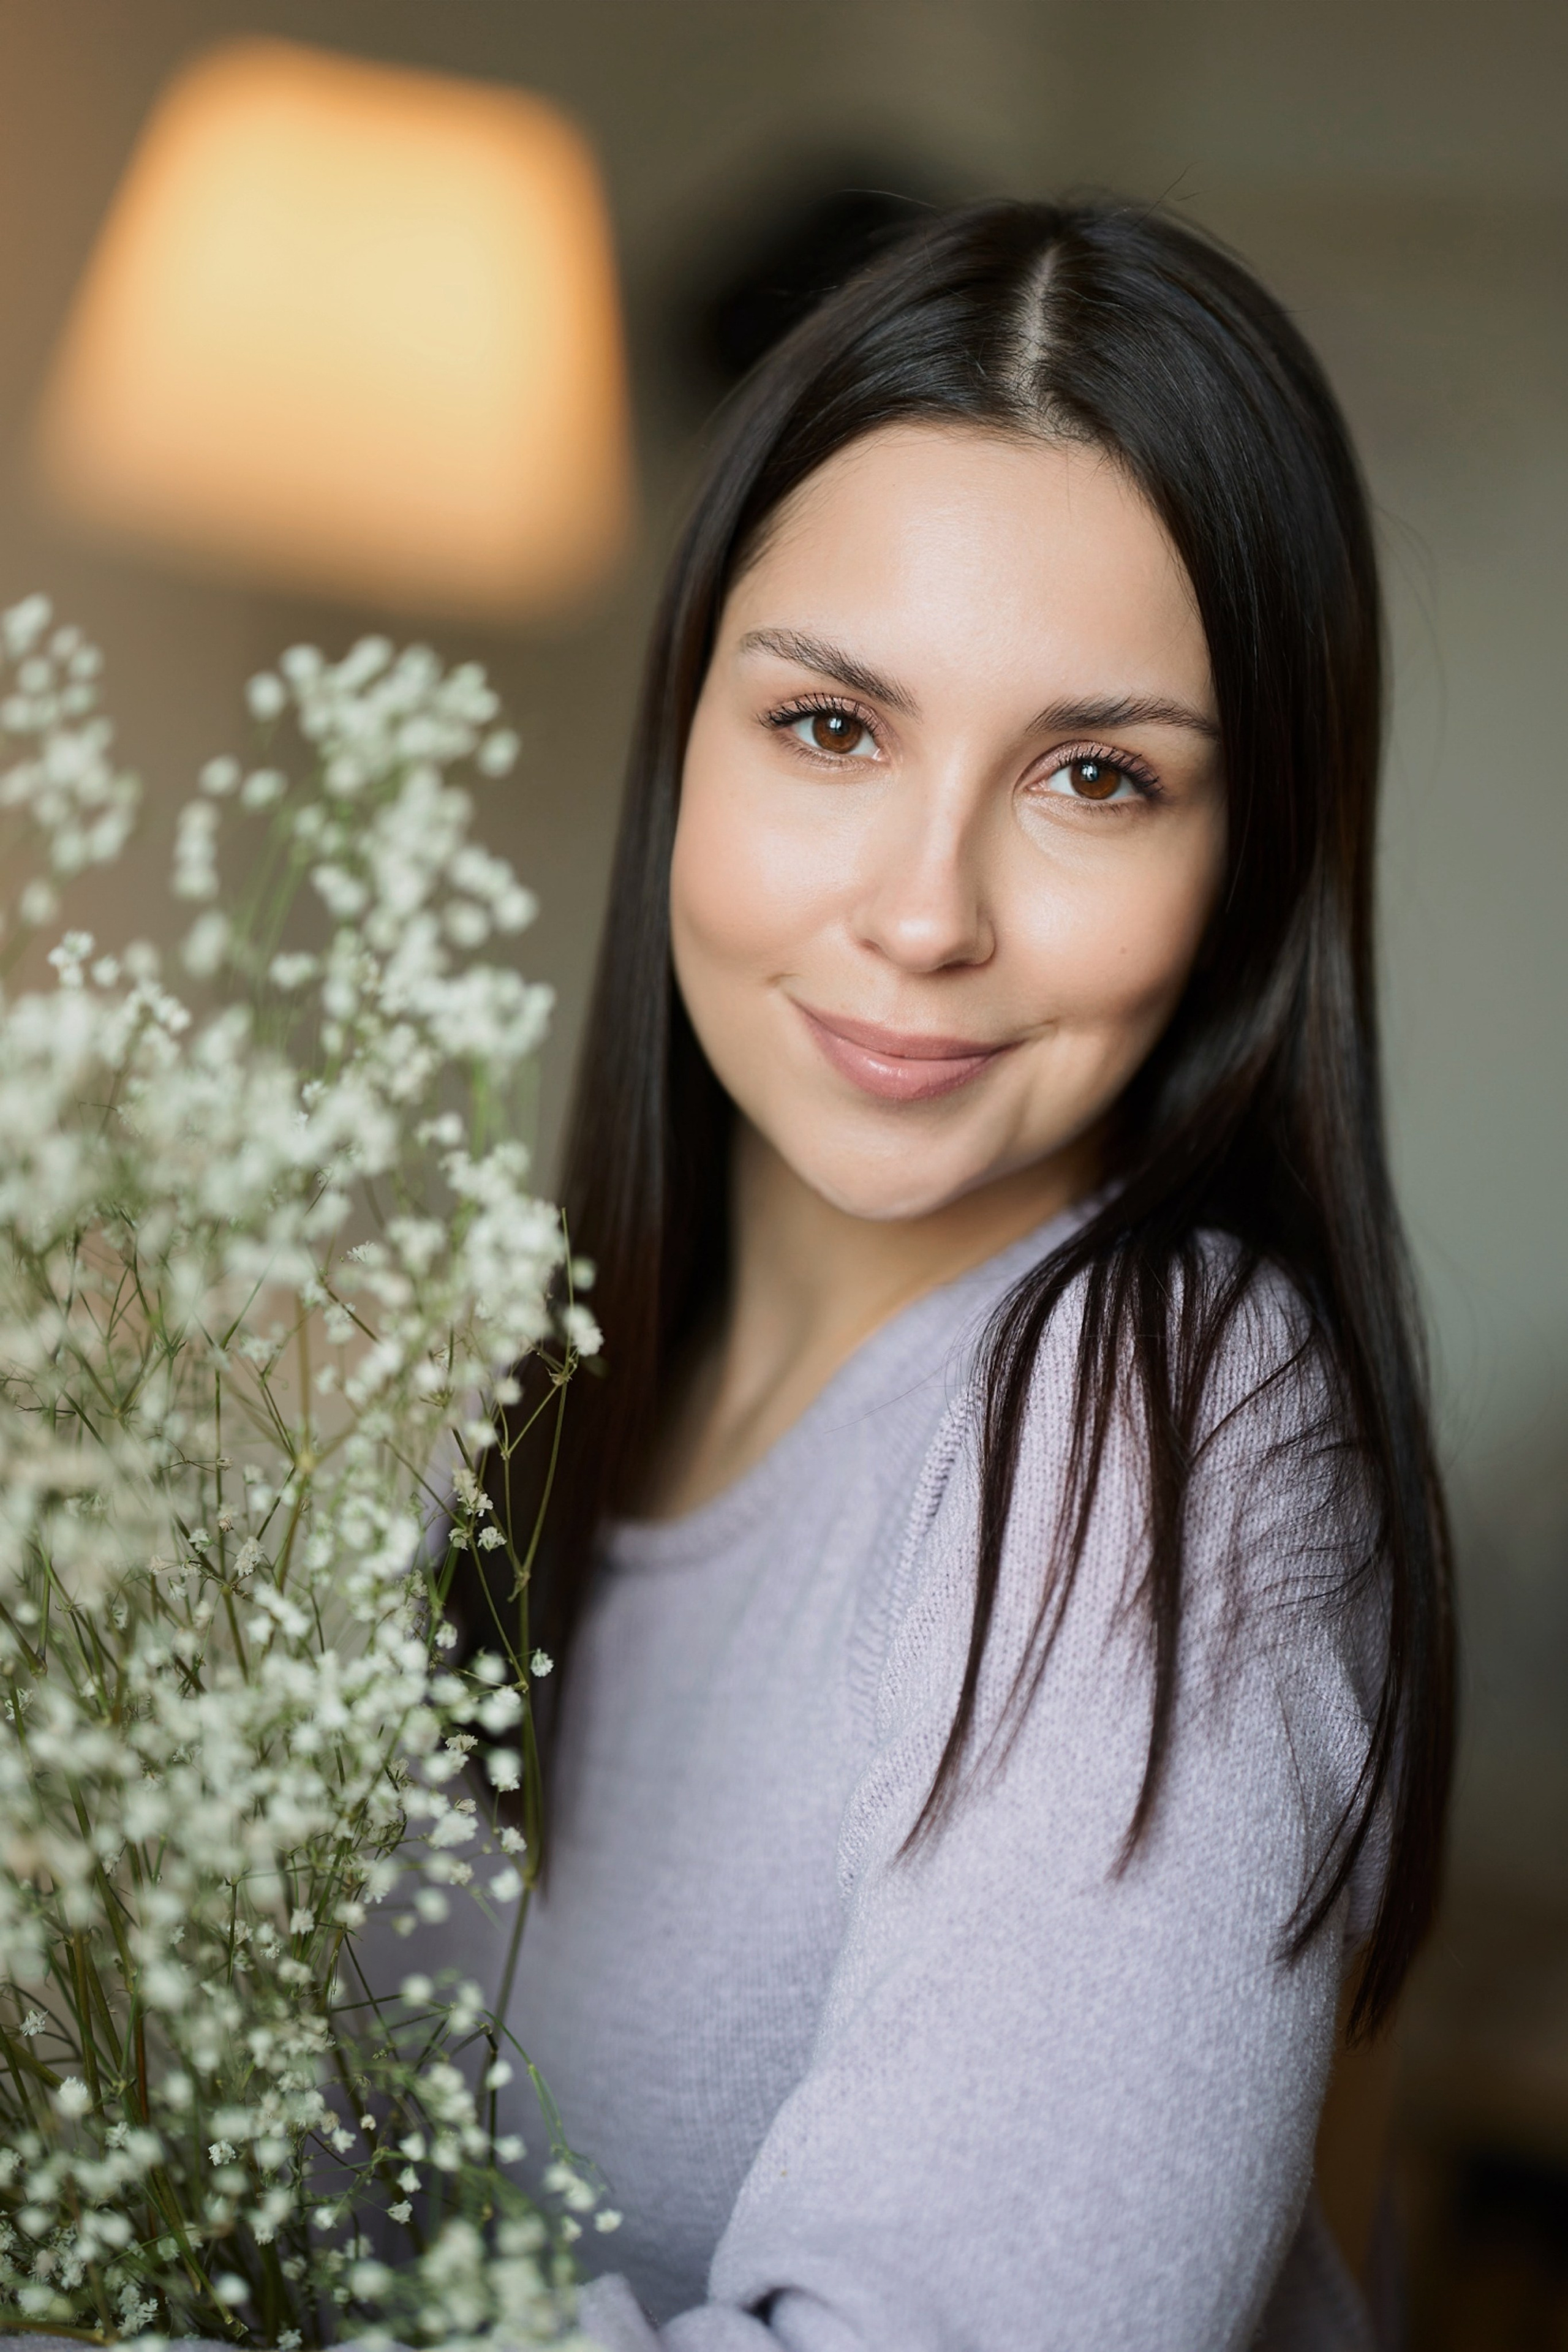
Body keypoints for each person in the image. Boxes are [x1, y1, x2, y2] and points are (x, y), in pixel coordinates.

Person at [461, 198, 1455, 2349]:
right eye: (832, 729)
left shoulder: (1167, 1417)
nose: (928, 914)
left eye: (1096, 778)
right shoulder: (527, 1390)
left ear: (1244, 864)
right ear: (685, 735)